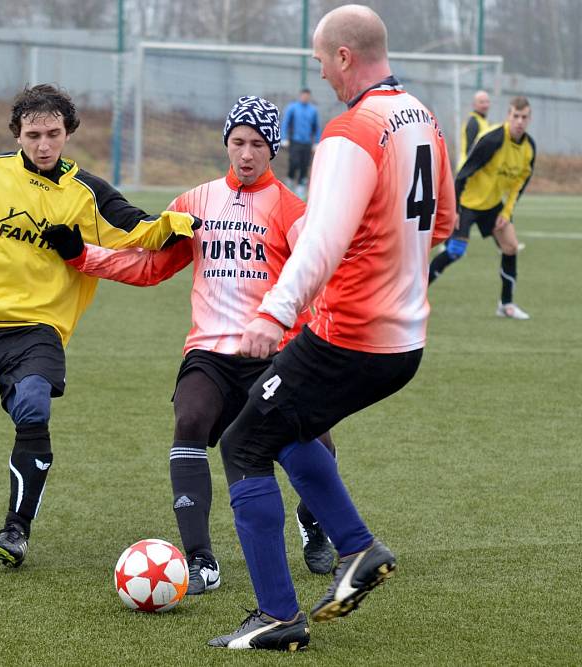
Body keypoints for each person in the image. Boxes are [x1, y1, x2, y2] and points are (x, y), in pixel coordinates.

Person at [208, 4, 455, 651]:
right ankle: (357, 547)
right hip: (404, 341)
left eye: (320, 59)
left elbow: (319, 243)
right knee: (282, 427)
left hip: (351, 336)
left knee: (241, 445)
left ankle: (277, 615)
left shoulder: (350, 132)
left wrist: (273, 314)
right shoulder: (423, 118)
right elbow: (445, 224)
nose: (318, 72)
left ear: (344, 56)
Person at [42, 96, 337, 594]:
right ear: (226, 142)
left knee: (313, 448)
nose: (246, 154)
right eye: (238, 142)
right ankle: (201, 561)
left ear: (273, 150)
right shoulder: (194, 202)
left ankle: (314, 523)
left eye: (258, 145)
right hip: (209, 353)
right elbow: (150, 265)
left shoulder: (292, 210)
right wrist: (82, 255)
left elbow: (318, 278)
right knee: (190, 420)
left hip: (273, 352)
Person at [0, 84, 199, 568]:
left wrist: (191, 220)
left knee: (32, 406)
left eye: (53, 133)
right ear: (17, 135)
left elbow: (140, 229)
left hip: (38, 328)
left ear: (68, 133)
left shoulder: (88, 192)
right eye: (32, 135)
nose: (43, 145)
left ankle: (15, 530)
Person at [429, 96, 535, 320]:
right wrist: (455, 208)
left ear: (529, 118)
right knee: (456, 251)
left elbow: (520, 184)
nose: (519, 121)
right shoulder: (493, 139)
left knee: (511, 246)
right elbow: (462, 175)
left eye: (524, 117)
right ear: (508, 115)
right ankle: (415, 296)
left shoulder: (529, 148)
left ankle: (506, 305)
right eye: (515, 116)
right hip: (467, 201)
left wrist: (506, 212)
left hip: (493, 205)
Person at [280, 88, 320, 198]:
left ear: (309, 97)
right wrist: (284, 138)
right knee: (294, 162)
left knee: (304, 165)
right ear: (300, 96)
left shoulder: (313, 110)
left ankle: (301, 188)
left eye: (307, 96)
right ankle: (290, 181)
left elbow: (316, 127)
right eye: (303, 95)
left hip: (307, 143)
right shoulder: (292, 108)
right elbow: (285, 123)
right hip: (294, 141)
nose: (305, 97)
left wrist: (316, 142)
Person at [457, 90, 491, 170]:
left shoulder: (482, 121)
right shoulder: (473, 122)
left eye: (487, 102)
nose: (485, 105)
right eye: (481, 102)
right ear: (474, 105)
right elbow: (470, 150)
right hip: (468, 169)